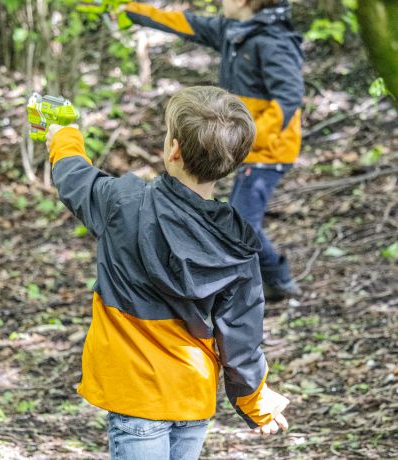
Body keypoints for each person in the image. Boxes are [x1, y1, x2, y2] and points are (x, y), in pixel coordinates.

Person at [45, 86, 289, 460]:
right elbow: (241, 336)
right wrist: (254, 402)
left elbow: (74, 176)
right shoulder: (237, 242)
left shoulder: (122, 202)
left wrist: (62, 133)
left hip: (136, 394)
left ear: (173, 149)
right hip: (192, 395)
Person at [122, 0, 305, 300]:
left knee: (242, 222)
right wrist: (134, 11)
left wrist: (248, 138)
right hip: (247, 146)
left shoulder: (274, 41)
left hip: (269, 152)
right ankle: (269, 281)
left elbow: (288, 98)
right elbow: (188, 24)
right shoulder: (234, 30)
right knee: (238, 219)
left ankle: (278, 281)